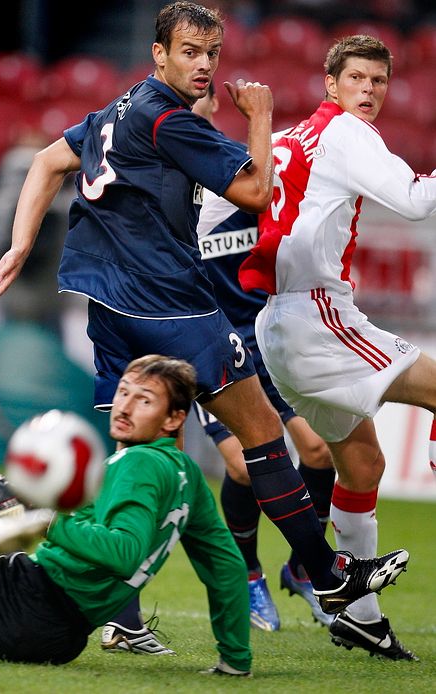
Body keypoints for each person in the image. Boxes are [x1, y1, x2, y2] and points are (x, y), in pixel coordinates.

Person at [0, 0, 409, 636]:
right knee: (263, 439)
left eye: (212, 53)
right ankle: (327, 576)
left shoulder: (116, 111)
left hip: (106, 309)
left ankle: (118, 612)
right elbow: (258, 192)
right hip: (170, 305)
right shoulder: (169, 122)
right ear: (159, 53)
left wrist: (19, 243)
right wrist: (259, 117)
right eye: (189, 52)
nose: (204, 65)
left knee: (138, 457)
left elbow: (45, 162)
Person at [239, 34, 434, 661]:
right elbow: (411, 202)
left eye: (378, 81)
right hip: (317, 316)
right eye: (357, 78)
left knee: (363, 465)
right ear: (332, 84)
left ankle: (362, 620)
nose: (369, 91)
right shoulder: (347, 134)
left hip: (278, 325)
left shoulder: (291, 139)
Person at [0, 355, 253, 676]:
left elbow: (124, 553)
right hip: (58, 629)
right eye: (123, 392)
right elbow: (225, 564)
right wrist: (235, 659)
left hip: (29, 609)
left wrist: (36, 515)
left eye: (144, 400)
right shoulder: (187, 474)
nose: (125, 407)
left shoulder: (138, 462)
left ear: (173, 419)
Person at [191, 84, 335, 631]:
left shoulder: (240, 171)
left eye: (200, 105)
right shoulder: (170, 186)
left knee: (319, 451)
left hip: (269, 334)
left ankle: (303, 566)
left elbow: (288, 227)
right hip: (210, 338)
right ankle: (248, 575)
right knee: (242, 468)